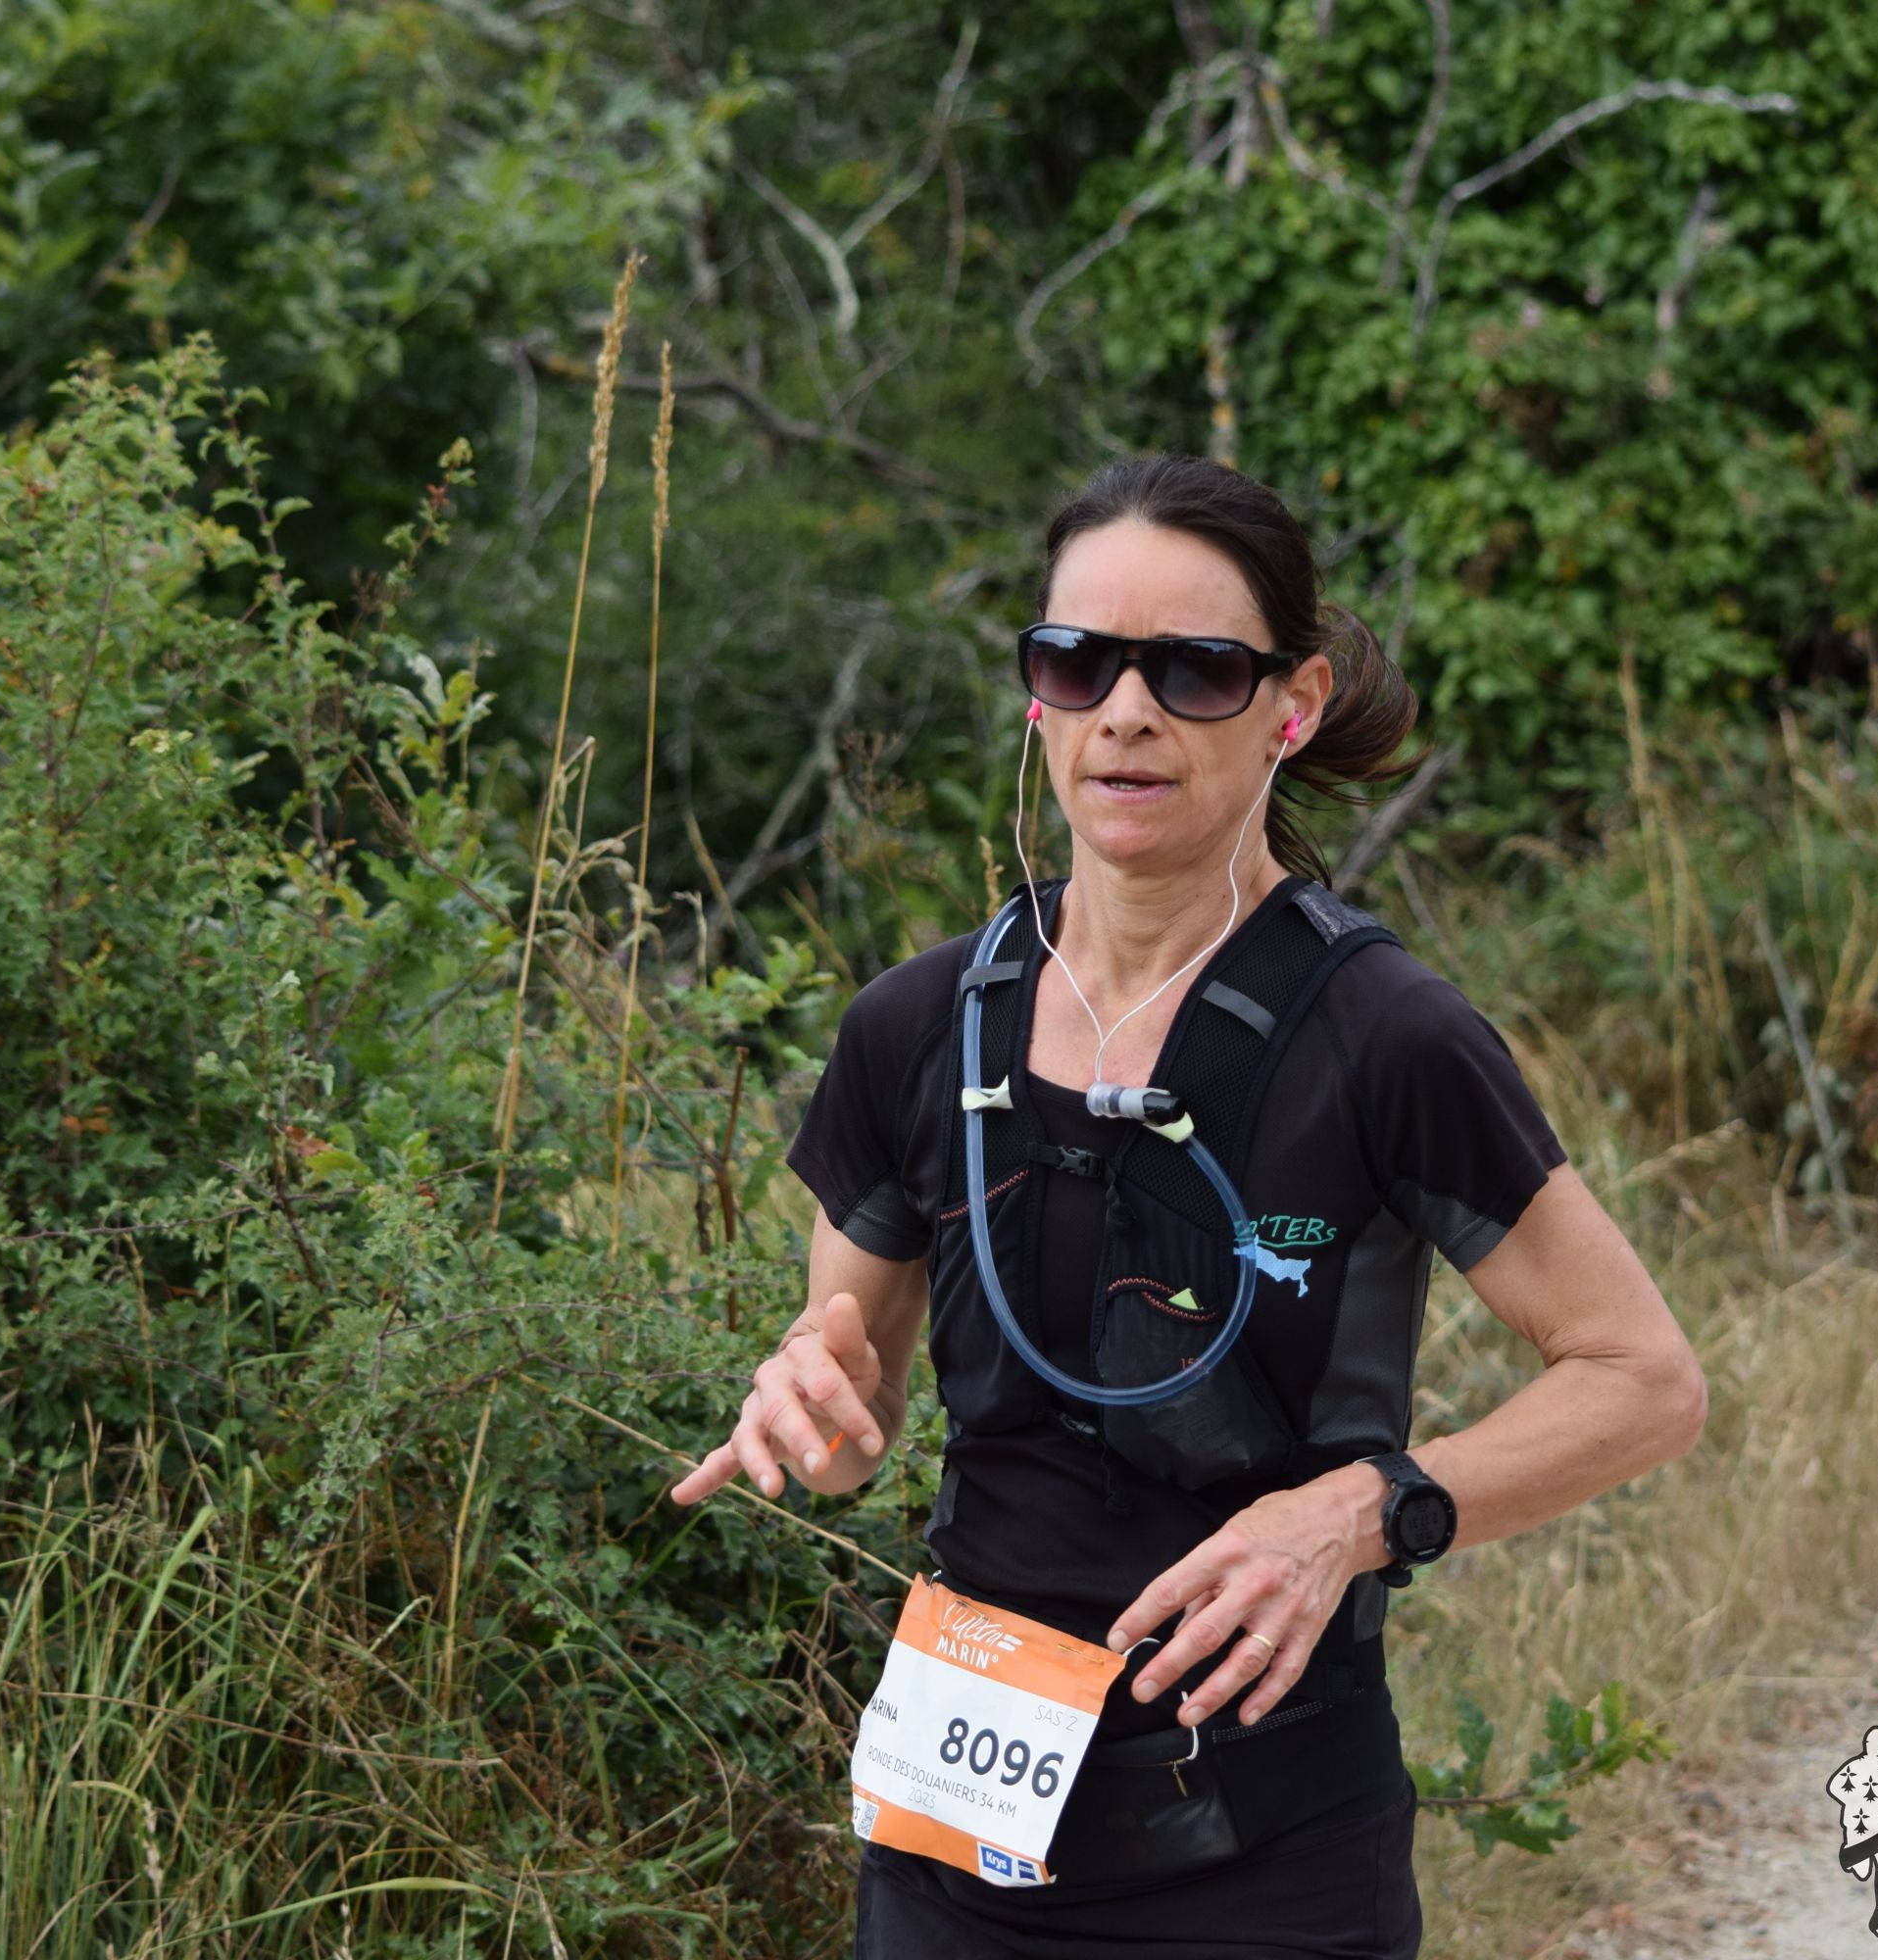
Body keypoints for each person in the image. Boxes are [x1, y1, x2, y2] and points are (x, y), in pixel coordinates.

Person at [670, 455, 1707, 1958]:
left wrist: (1358, 1515)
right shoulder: (915, 1027)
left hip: (1263, 1854)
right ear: (1037, 695)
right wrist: (807, 1405)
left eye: (1196, 669)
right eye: (1077, 661)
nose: (1127, 711)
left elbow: (1644, 1379)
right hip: (954, 1841)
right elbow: (850, 1428)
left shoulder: (1386, 1037)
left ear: (1292, 702)